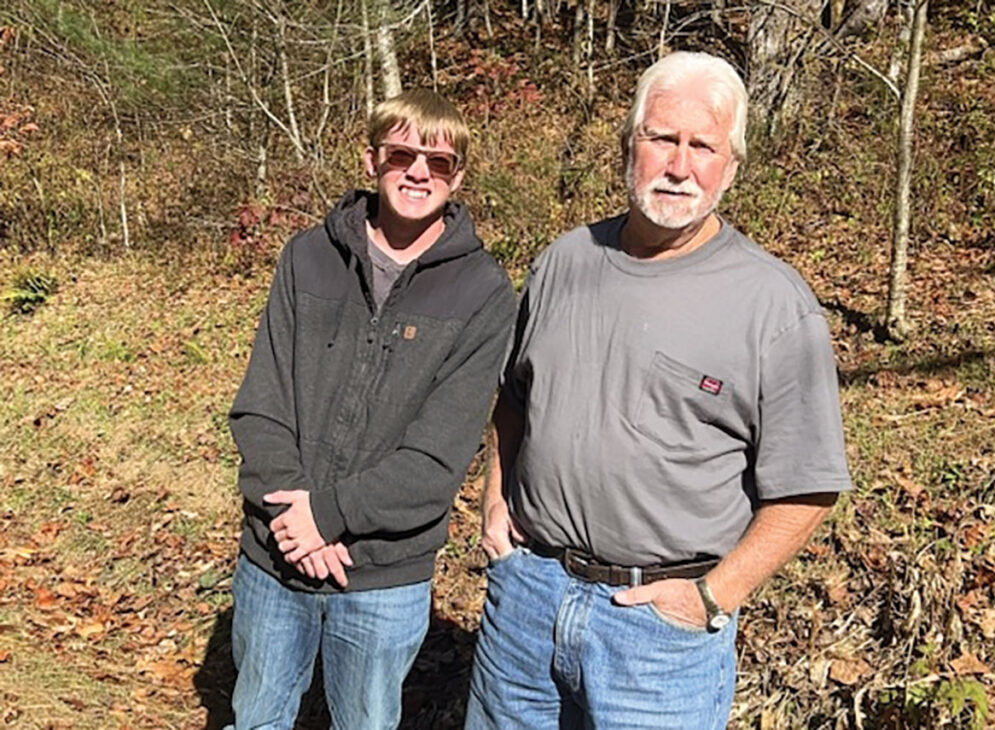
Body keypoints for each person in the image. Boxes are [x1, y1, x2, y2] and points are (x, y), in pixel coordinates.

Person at [466, 51, 853, 729]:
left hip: (660, 636)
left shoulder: (771, 303)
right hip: (528, 597)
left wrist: (712, 596)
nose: (679, 165)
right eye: (662, 139)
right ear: (628, 146)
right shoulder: (565, 261)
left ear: (730, 167)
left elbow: (808, 486)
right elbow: (514, 396)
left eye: (703, 146)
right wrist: (495, 498)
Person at [226, 89, 515, 730]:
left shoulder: (483, 293)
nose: (418, 172)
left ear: (458, 176)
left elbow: (437, 459)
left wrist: (325, 516)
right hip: (275, 552)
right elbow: (260, 406)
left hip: (384, 575)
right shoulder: (307, 257)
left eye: (438, 162)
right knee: (258, 718)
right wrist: (293, 518)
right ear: (371, 159)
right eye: (401, 154)